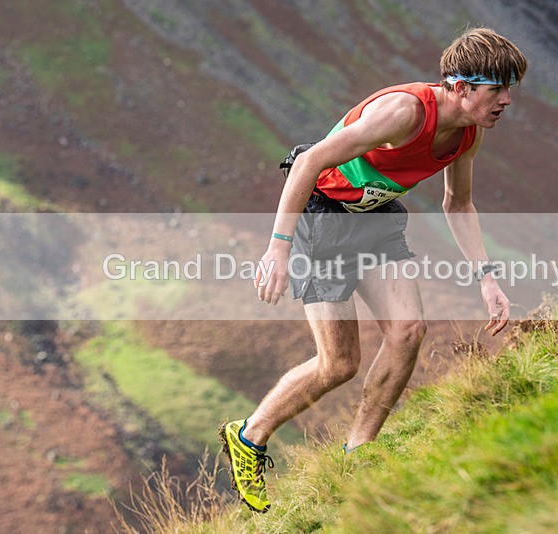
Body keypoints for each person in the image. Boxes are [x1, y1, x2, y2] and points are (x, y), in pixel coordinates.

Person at [220, 27, 528, 513]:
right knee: (338, 364)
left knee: (408, 330)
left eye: (510, 90)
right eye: (497, 90)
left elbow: (459, 202)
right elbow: (309, 162)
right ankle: (249, 434)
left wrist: (487, 279)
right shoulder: (404, 112)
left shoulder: (468, 134)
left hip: (375, 221)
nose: (507, 101)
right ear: (461, 87)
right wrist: (278, 248)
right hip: (320, 217)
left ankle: (358, 451)